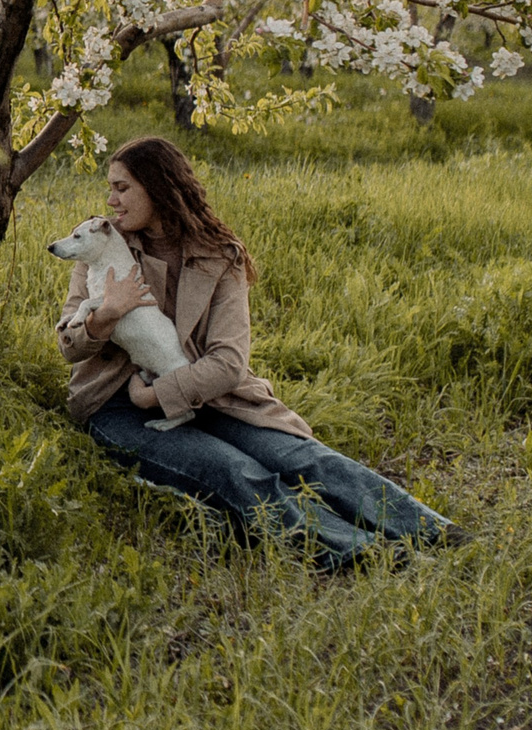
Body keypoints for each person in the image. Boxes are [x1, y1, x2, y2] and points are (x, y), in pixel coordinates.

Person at [56, 135, 459, 569]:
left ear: (158, 187)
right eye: (111, 187)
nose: (111, 200)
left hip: (209, 395)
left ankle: (435, 532)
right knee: (235, 468)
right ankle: (362, 553)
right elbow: (68, 344)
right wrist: (106, 315)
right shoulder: (100, 244)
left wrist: (157, 396)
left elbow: (229, 363)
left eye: (122, 187)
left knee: (302, 457)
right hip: (118, 407)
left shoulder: (219, 254)